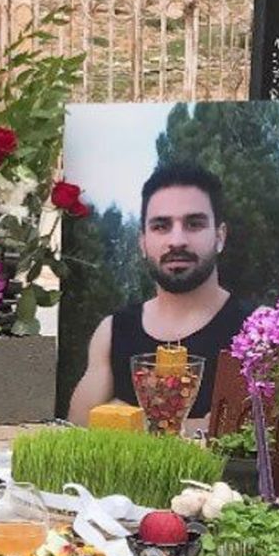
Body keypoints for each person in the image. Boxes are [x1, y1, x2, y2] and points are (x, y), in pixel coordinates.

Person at [68, 162, 253, 425]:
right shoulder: (113, 332)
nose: (177, 240)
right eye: (161, 226)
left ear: (220, 237)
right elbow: (76, 432)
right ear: (143, 242)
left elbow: (260, 440)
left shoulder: (257, 332)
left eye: (194, 224)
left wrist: (129, 419)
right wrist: (204, 425)